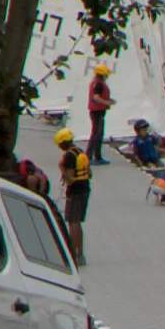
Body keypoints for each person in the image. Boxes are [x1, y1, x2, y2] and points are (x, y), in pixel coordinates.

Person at [55, 127, 91, 264]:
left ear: (63, 143)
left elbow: (70, 179)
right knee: (78, 222)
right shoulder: (80, 151)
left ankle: (73, 255)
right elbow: (90, 173)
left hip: (75, 192)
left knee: (73, 222)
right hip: (85, 189)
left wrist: (62, 169)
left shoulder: (69, 156)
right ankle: (80, 254)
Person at [86, 64, 116, 165]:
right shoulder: (99, 84)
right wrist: (107, 102)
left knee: (98, 134)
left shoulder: (96, 83)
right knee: (96, 135)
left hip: (97, 111)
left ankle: (96, 156)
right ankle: (90, 157)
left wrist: (108, 100)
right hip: (97, 112)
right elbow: (96, 97)